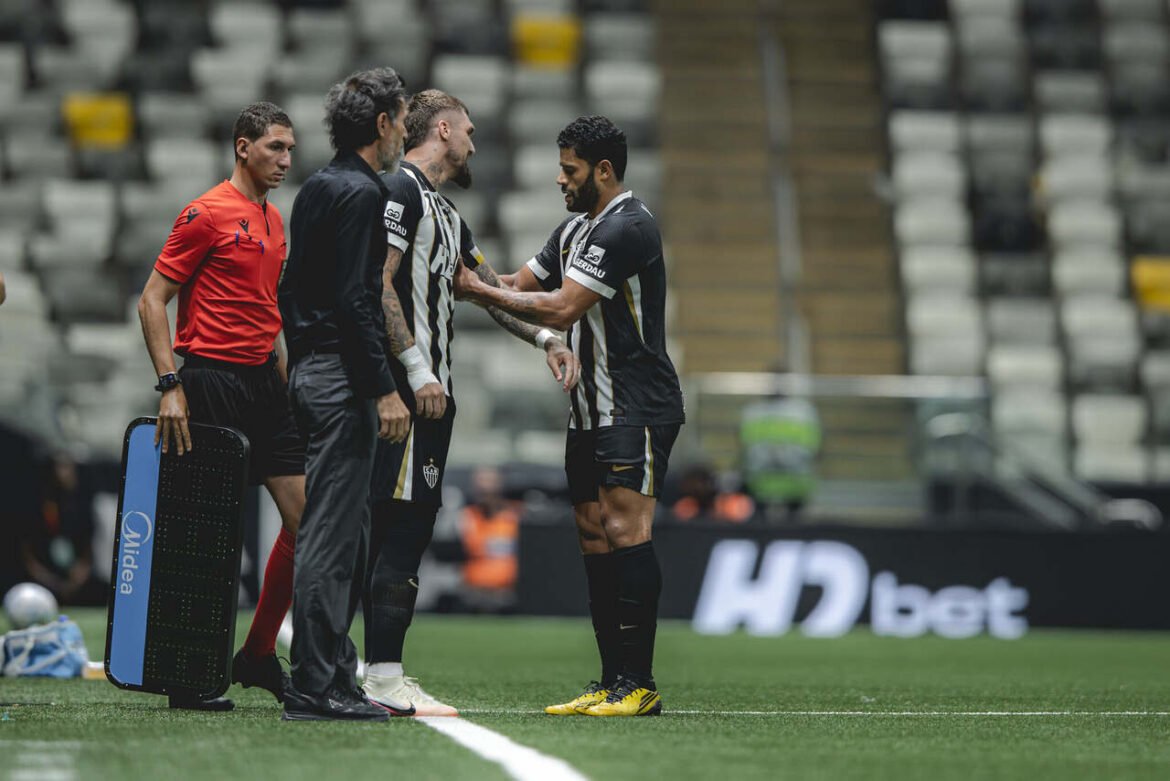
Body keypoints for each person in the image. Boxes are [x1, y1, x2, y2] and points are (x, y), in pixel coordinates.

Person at [456, 115, 685, 717]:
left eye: (570, 169)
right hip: (590, 408)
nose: (560, 179)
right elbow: (513, 284)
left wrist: (478, 292)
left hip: (635, 404)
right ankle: (611, 680)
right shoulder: (575, 229)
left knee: (624, 529)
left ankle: (639, 684)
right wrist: (463, 253)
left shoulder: (628, 228)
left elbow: (557, 309)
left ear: (603, 171)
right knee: (592, 533)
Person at [361, 89, 579, 717]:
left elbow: (485, 290)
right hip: (408, 393)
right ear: (445, 130)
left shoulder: (450, 217)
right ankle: (381, 677)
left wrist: (545, 336)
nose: (475, 143)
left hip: (433, 396)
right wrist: (416, 370)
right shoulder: (399, 192)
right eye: (470, 132)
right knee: (395, 532)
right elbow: (378, 283)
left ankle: (358, 668)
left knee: (400, 529)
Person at [137, 101, 301, 711]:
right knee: (206, 534)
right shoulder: (204, 214)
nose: (285, 160)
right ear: (243, 147)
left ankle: (256, 655)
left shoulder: (275, 221)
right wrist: (169, 385)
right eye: (275, 148)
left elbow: (267, 311)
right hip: (208, 381)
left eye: (290, 150)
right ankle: (187, 674)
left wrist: (284, 380)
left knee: (304, 521)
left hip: (264, 383)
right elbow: (152, 301)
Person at [277, 67, 411, 722]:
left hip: (315, 370)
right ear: (382, 125)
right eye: (402, 121)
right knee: (332, 538)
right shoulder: (364, 194)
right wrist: (383, 388)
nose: (405, 133)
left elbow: (292, 287)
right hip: (342, 378)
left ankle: (334, 674)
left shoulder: (315, 189)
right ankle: (313, 686)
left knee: (350, 535)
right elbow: (358, 299)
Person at [459, 466, 520, 613]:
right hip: (472, 593)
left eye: (489, 485)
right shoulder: (466, 517)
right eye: (481, 488)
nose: (485, 492)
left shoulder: (515, 516)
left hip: (508, 593)